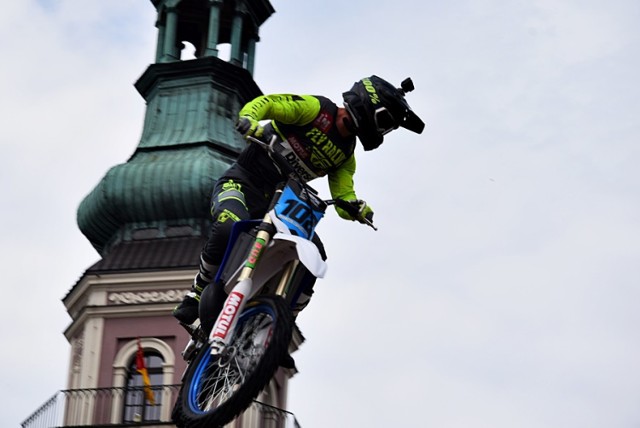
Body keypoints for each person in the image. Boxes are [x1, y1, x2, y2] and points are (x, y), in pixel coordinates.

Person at [173, 75, 425, 325]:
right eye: (384, 122)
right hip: (243, 182)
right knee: (229, 224)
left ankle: (280, 325)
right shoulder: (316, 110)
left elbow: (343, 196)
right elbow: (270, 104)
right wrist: (250, 119)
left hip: (281, 205)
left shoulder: (346, 156)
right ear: (370, 106)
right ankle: (198, 291)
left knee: (315, 254)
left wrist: (359, 208)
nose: (382, 129)